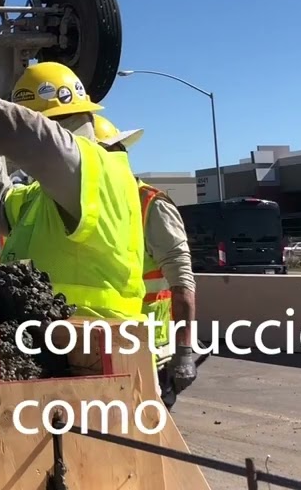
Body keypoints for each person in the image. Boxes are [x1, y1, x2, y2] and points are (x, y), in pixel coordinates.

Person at [0, 60, 146, 322]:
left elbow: (39, 141)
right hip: (62, 340)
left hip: (98, 341)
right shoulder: (44, 195)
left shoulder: (98, 172)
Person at [91, 115, 198, 405]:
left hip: (151, 353)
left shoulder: (150, 205)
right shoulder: (91, 207)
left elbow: (183, 283)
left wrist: (184, 351)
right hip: (105, 349)